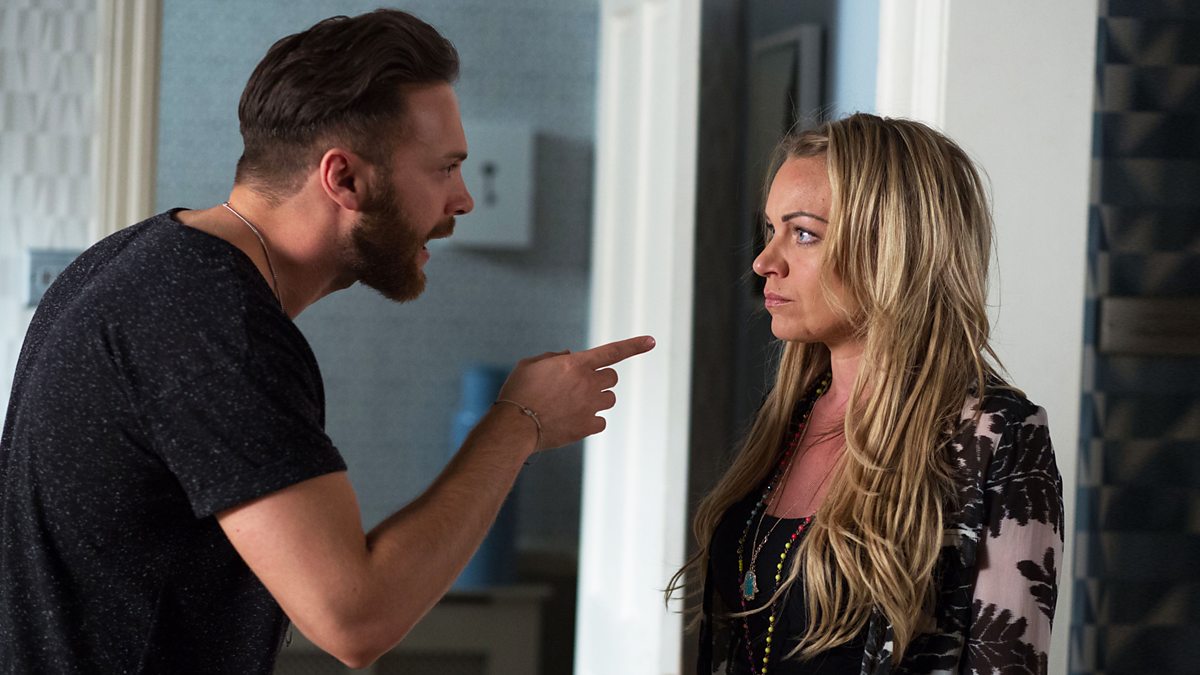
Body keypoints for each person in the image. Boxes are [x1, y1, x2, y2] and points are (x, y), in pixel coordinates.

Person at [0, 9, 653, 674]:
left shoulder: (136, 261)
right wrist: (520, 422)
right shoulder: (216, 323)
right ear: (343, 178)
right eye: (445, 168)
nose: (463, 199)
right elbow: (355, 618)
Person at [668, 114, 1063, 674]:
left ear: (893, 250)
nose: (764, 262)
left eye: (804, 234)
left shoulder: (995, 438)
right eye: (771, 229)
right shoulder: (787, 418)